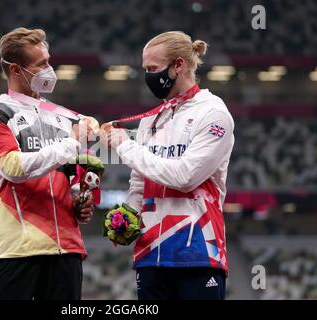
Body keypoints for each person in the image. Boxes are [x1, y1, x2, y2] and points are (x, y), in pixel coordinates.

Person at [101, 31, 235, 300]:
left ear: (178, 66)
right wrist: (126, 216)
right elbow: (139, 184)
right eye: (145, 69)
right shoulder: (150, 121)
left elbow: (185, 176)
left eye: (153, 68)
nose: (148, 76)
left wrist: (123, 145)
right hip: (150, 254)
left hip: (198, 252)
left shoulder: (213, 113)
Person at [0, 27, 95, 300]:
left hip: (66, 250)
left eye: (49, 61)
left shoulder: (61, 116)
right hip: (17, 251)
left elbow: (68, 175)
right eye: (41, 64)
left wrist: (78, 199)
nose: (49, 69)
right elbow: (14, 168)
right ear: (16, 70)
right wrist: (72, 143)